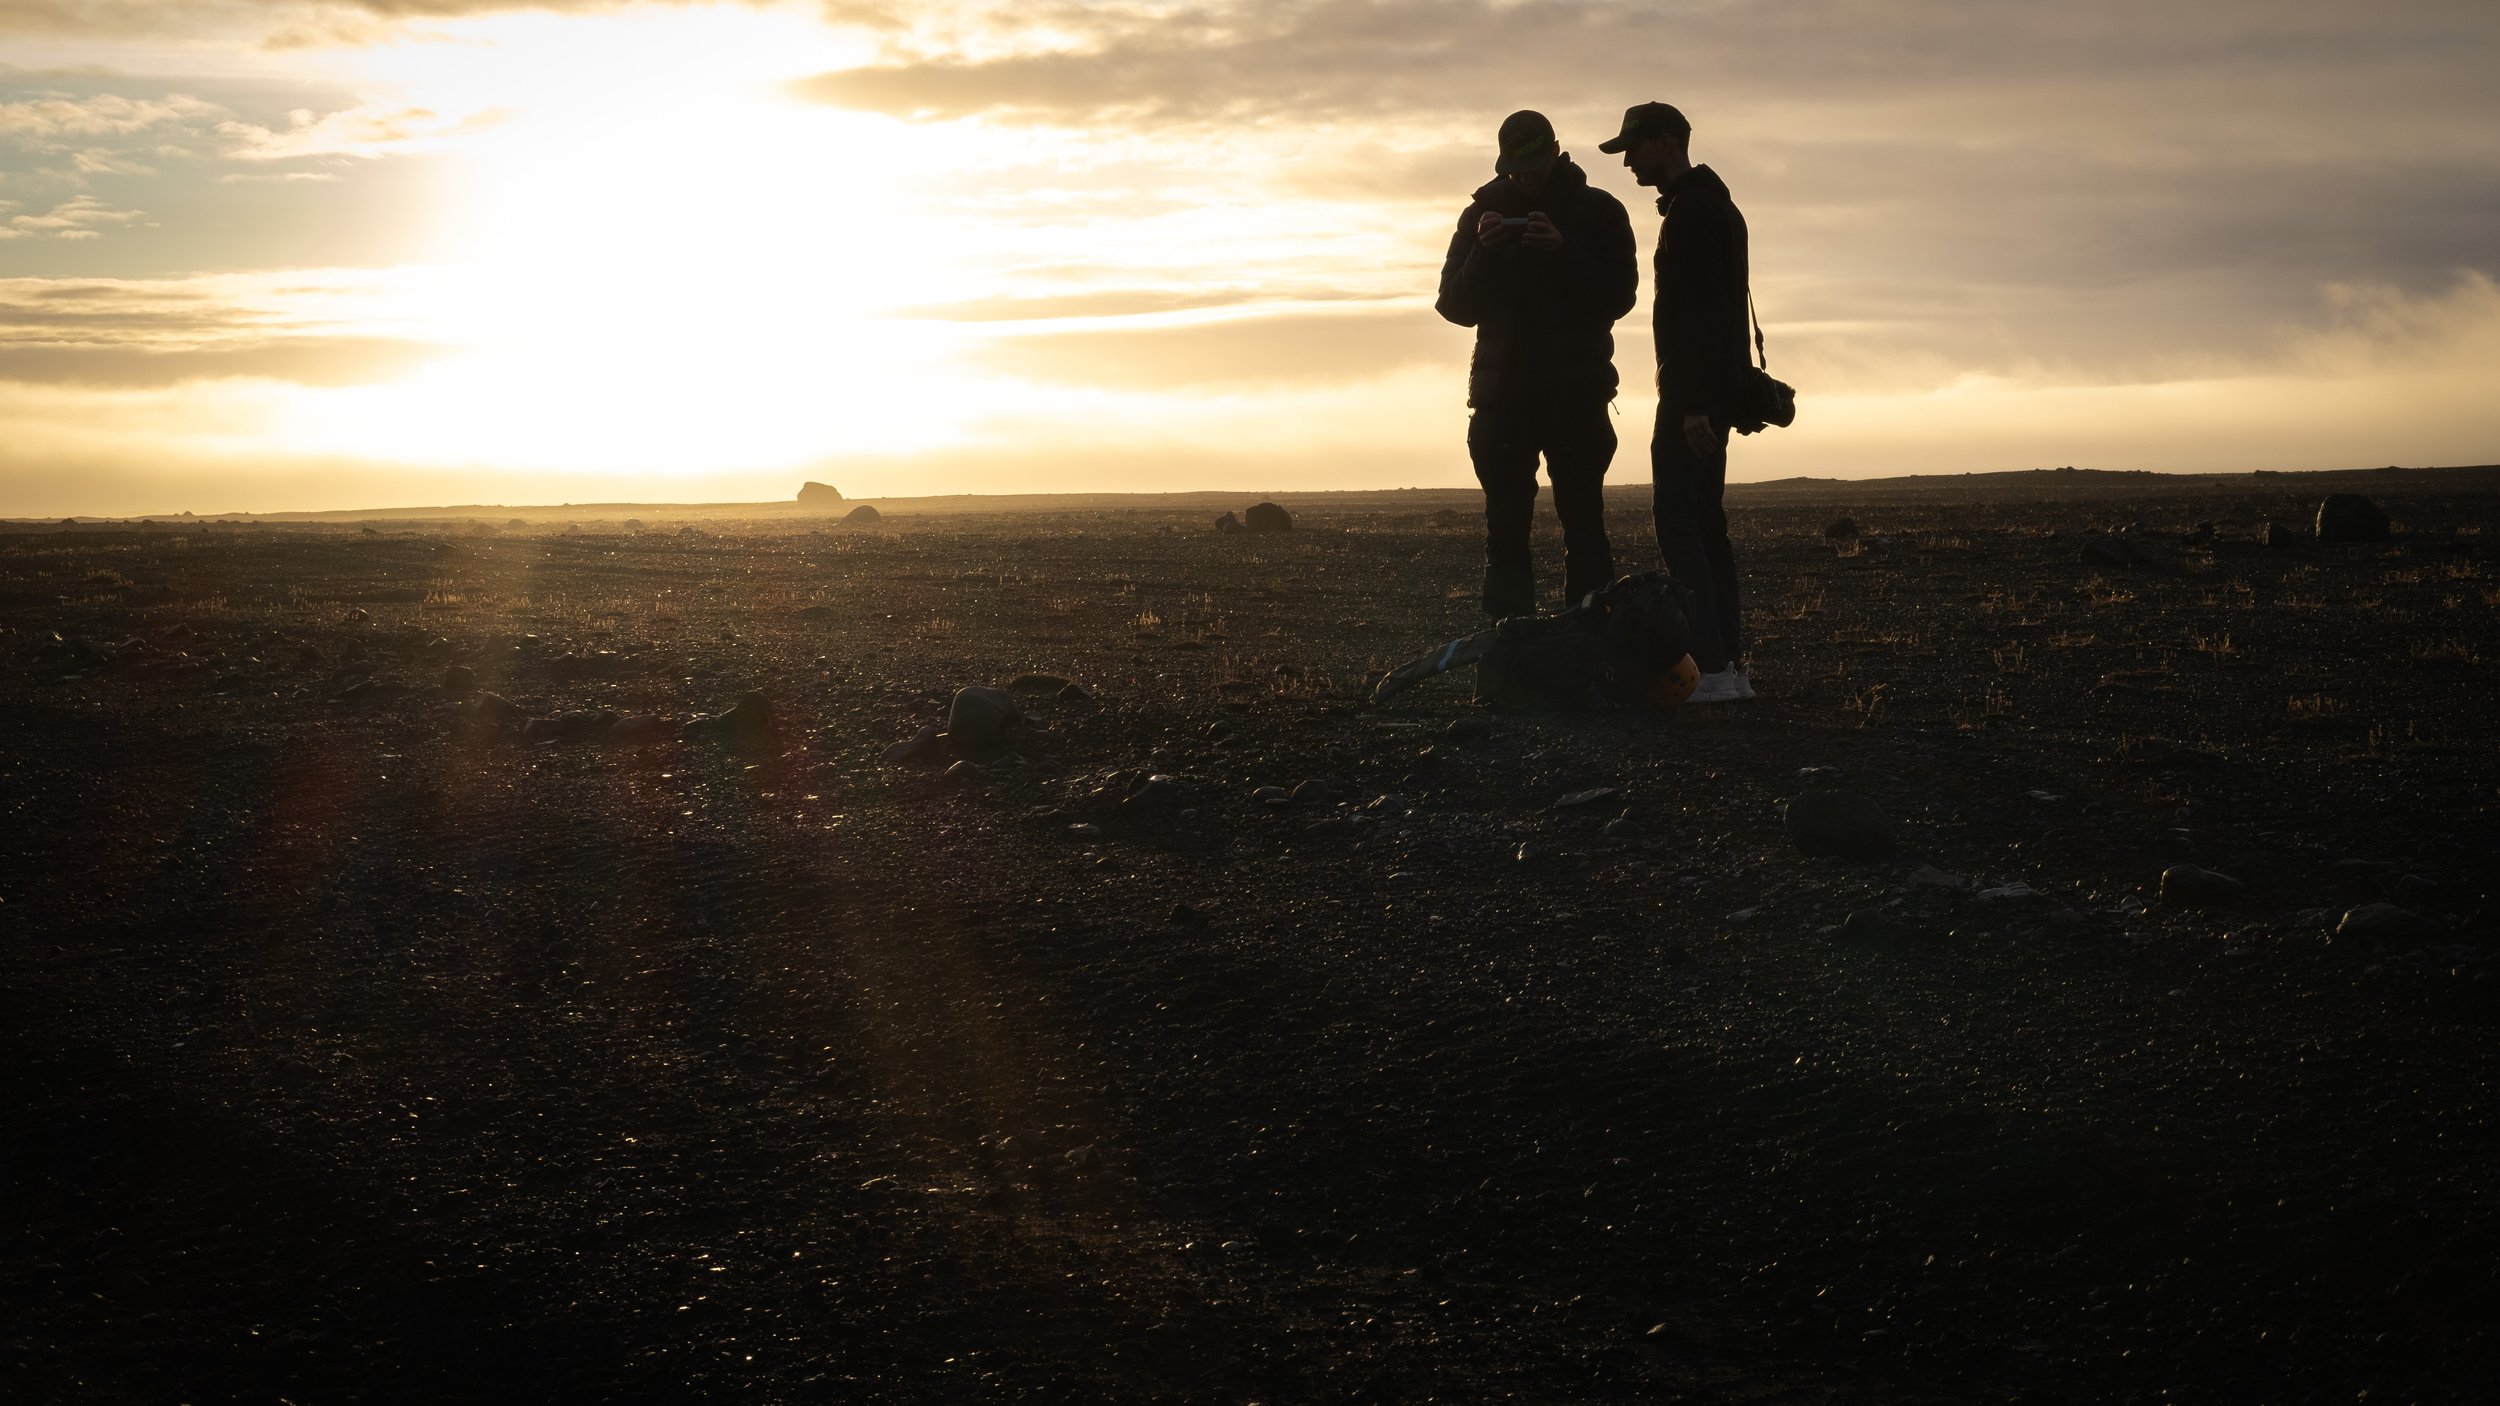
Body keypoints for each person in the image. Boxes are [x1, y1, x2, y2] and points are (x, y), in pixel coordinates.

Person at [1434, 110, 1639, 619]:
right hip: (1504, 404)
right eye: (1513, 168)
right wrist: (1485, 252)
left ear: (1555, 152)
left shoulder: (1598, 212)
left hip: (1575, 399)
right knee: (1505, 536)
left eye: (1532, 164)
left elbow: (1620, 296)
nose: (1523, 177)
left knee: (1585, 530)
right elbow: (1453, 306)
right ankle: (1512, 663)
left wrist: (1563, 251)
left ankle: (1588, 657)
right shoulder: (1479, 218)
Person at [1601, 100, 1755, 702]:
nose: (1629, 162)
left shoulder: (1690, 212)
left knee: (1681, 524)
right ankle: (1729, 670)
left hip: (1692, 396)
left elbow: (1693, 315)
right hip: (1712, 392)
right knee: (1708, 525)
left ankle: (1712, 666)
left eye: (1634, 149)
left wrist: (1689, 404)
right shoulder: (1718, 205)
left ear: (1668, 143)